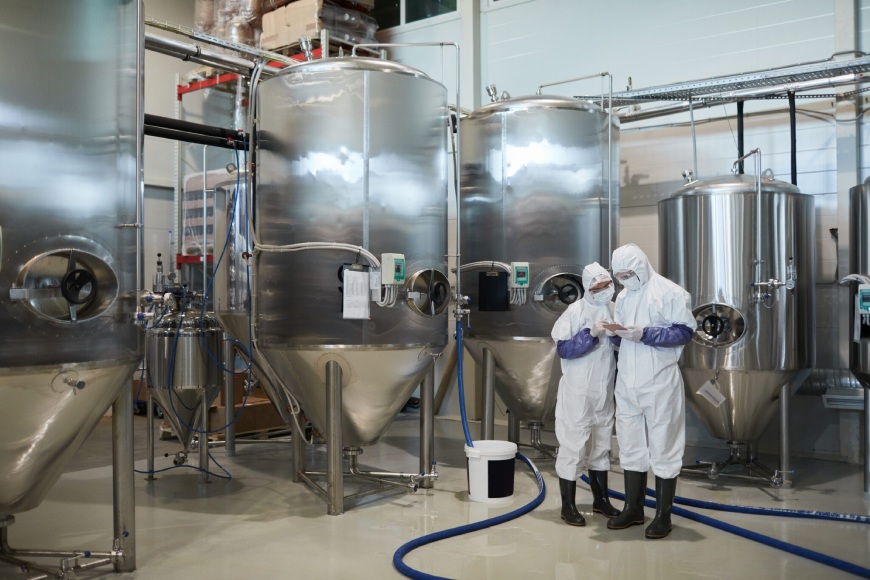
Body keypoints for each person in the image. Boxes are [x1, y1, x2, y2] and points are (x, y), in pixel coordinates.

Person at [604, 243, 696, 539]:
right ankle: (633, 509)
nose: (625, 279)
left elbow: (684, 331)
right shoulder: (622, 295)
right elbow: (624, 336)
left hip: (659, 382)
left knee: (664, 447)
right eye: (620, 276)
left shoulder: (670, 292)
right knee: (630, 446)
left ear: (642, 266)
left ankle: (663, 516)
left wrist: (645, 333)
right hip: (628, 381)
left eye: (629, 273)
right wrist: (613, 333)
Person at [550, 262, 620, 526]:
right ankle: (567, 506)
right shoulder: (575, 311)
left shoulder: (614, 308)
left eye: (607, 285)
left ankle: (601, 500)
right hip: (578, 391)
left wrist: (617, 335)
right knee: (574, 446)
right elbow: (564, 349)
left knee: (602, 445)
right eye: (598, 287)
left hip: (604, 388)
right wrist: (590, 333)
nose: (604, 291)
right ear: (588, 288)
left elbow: (621, 345)